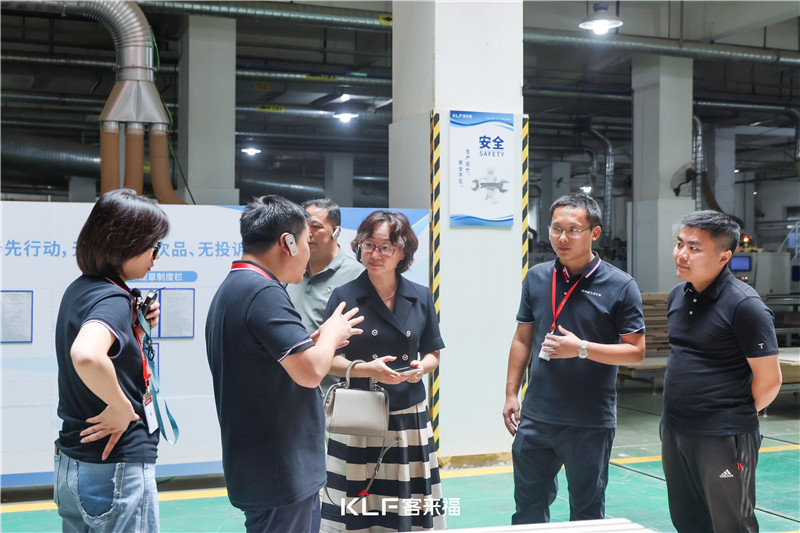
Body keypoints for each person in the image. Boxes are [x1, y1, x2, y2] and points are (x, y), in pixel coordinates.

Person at [205, 195, 364, 533]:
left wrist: (315, 342)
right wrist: (332, 333)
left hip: (262, 464)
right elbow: (310, 373)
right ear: (287, 243)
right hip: (280, 469)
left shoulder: (235, 286)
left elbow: (269, 363)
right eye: (306, 242)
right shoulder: (263, 292)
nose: (308, 254)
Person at [502, 193, 646, 524]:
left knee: (586, 512)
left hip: (589, 421)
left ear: (594, 233)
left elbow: (635, 351)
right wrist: (511, 393)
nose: (562, 238)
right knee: (528, 507)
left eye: (573, 230)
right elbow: (522, 338)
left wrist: (582, 348)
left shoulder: (620, 285)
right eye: (556, 229)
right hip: (537, 416)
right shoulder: (537, 277)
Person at [320, 210, 446, 532]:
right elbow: (326, 359)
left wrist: (421, 368)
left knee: (407, 499)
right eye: (368, 245)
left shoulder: (420, 295)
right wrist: (367, 370)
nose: (375, 254)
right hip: (359, 415)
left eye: (385, 247)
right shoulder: (344, 297)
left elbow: (433, 353)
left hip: (408, 413)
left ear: (403, 252)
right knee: (359, 503)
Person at [54, 188, 169, 532]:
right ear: (126, 244)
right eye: (153, 247)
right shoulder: (114, 300)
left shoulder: (81, 289)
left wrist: (136, 329)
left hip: (73, 461)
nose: (156, 257)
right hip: (115, 466)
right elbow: (87, 355)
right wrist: (121, 406)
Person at [662, 210, 782, 533]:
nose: (682, 254)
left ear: (724, 257)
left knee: (732, 524)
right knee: (687, 521)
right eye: (680, 244)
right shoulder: (678, 296)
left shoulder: (746, 306)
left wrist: (729, 417)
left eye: (694, 248)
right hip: (675, 430)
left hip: (722, 436)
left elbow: (770, 381)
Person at [286, 199, 364, 396]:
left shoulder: (357, 275)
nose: (308, 233)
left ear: (336, 232)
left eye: (316, 227)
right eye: (303, 226)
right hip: (289, 390)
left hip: (334, 394)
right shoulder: (289, 270)